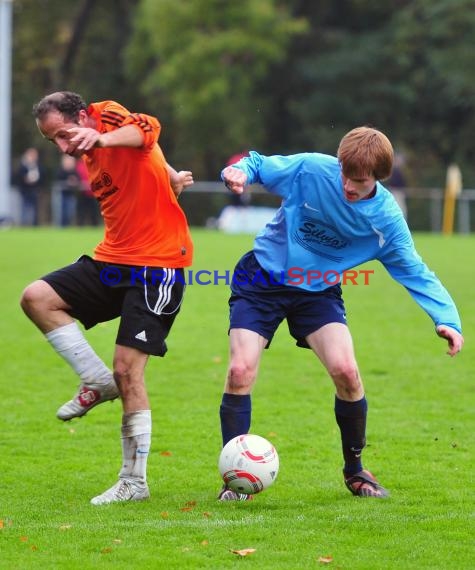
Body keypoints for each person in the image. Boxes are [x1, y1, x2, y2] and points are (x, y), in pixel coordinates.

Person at [218, 126, 464, 501]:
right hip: (262, 280)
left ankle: (355, 471)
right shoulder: (313, 170)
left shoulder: (386, 220)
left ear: (378, 178)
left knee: (347, 373)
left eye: (360, 180)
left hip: (317, 292)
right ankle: (235, 482)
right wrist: (237, 172)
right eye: (345, 174)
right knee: (239, 371)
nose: (349, 185)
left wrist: (446, 318)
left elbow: (414, 269)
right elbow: (258, 163)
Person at [20, 91, 194, 505]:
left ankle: (134, 482)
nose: (64, 147)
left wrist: (99, 139)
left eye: (65, 135)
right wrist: (168, 173)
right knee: (37, 298)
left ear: (83, 116)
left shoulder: (107, 118)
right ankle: (94, 380)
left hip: (159, 265)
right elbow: (147, 151)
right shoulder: (91, 147)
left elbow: (147, 127)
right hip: (113, 262)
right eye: (54, 143)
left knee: (128, 371)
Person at [15, 147, 45, 226]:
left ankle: (35, 225)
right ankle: (24, 224)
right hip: (25, 190)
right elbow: (19, 177)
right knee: (24, 208)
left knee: (36, 209)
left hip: (35, 190)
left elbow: (42, 177)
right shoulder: (23, 166)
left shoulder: (38, 166)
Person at [54, 154, 81, 226]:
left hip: (71, 195)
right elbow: (58, 180)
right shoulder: (60, 171)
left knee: (70, 213)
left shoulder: (74, 171)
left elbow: (78, 180)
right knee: (61, 214)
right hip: (61, 196)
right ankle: (61, 227)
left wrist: (74, 182)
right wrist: (68, 182)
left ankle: (67, 226)